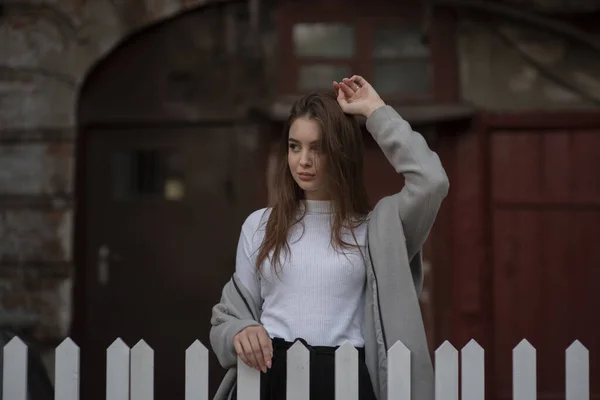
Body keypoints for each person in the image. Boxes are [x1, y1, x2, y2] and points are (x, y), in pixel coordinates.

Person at [210, 75, 449, 400]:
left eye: (318, 148)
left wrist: (375, 111)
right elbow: (231, 314)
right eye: (295, 147)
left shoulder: (378, 228)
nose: (303, 160)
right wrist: (242, 330)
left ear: (340, 153)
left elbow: (431, 181)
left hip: (347, 379)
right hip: (270, 378)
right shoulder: (260, 225)